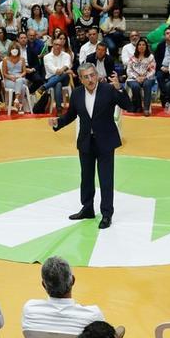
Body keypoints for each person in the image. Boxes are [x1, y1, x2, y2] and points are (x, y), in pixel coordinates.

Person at [48, 63, 133, 229]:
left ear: (97, 75)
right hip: (86, 141)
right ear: (80, 79)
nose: (90, 79)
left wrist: (119, 89)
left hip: (106, 141)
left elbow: (128, 105)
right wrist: (58, 122)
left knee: (106, 179)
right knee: (86, 178)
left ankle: (107, 214)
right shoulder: (77, 94)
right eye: (86, 77)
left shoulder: (108, 90)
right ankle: (87, 208)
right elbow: (71, 115)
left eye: (92, 75)